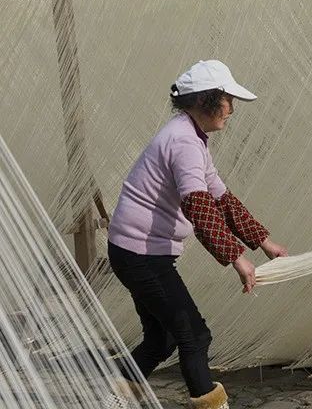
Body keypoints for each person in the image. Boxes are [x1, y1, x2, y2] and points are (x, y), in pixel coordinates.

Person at [106, 60, 287, 409]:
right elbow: (200, 209)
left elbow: (220, 196)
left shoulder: (190, 136)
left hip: (136, 253)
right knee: (194, 335)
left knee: (161, 340)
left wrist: (264, 241)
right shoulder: (184, 141)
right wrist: (238, 259)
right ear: (205, 101)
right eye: (226, 99)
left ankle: (114, 397)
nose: (231, 109)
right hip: (141, 256)